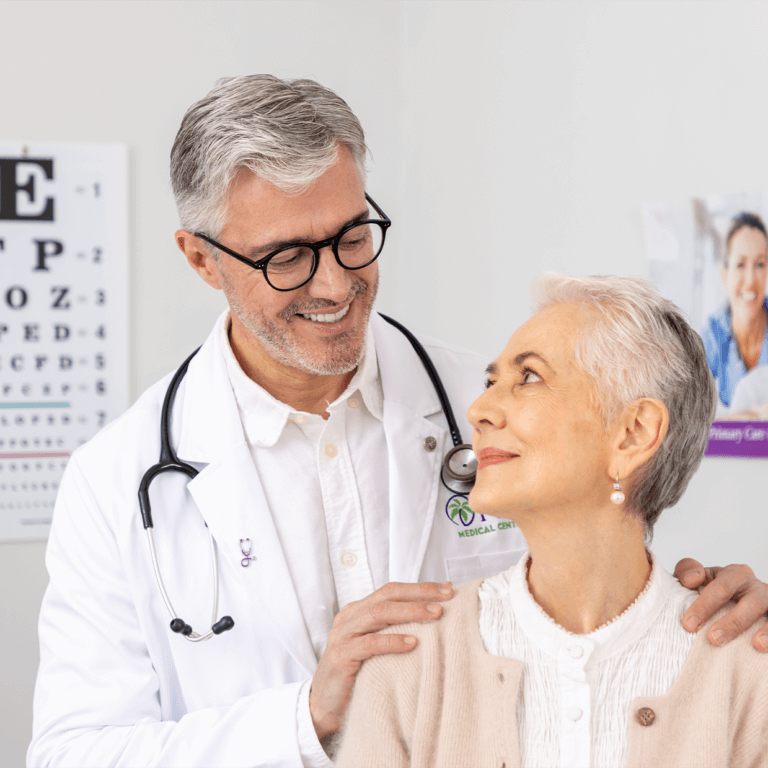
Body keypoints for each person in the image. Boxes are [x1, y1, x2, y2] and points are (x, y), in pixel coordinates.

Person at [27, 77, 768, 768]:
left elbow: (598, 582)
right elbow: (70, 753)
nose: (335, 282)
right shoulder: (115, 479)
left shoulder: (488, 411)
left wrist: (702, 613)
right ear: (200, 259)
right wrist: (305, 716)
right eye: (287, 257)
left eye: (352, 236)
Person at [337, 274, 768, 768]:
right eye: (490, 382)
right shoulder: (408, 664)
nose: (478, 410)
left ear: (633, 433)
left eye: (530, 377)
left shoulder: (749, 668)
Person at [701, 211, 768, 414]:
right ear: (724, 274)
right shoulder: (714, 331)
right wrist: (741, 419)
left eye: (759, 264)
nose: (750, 280)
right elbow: (684, 404)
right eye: (740, 264)